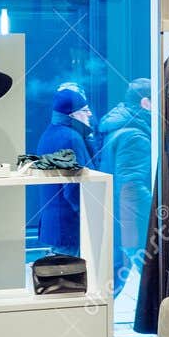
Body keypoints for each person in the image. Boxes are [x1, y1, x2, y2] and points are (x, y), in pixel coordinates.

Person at [96, 77, 154, 293]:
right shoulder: (135, 136)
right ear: (145, 103)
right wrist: (157, 215)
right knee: (154, 281)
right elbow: (132, 187)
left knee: (115, 280)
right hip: (133, 223)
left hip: (119, 219)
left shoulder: (117, 128)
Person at [35, 85, 94, 253]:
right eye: (85, 110)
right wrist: (89, 215)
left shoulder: (48, 134)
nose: (89, 114)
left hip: (55, 223)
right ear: (73, 114)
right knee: (71, 276)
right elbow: (73, 188)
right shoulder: (71, 138)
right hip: (69, 226)